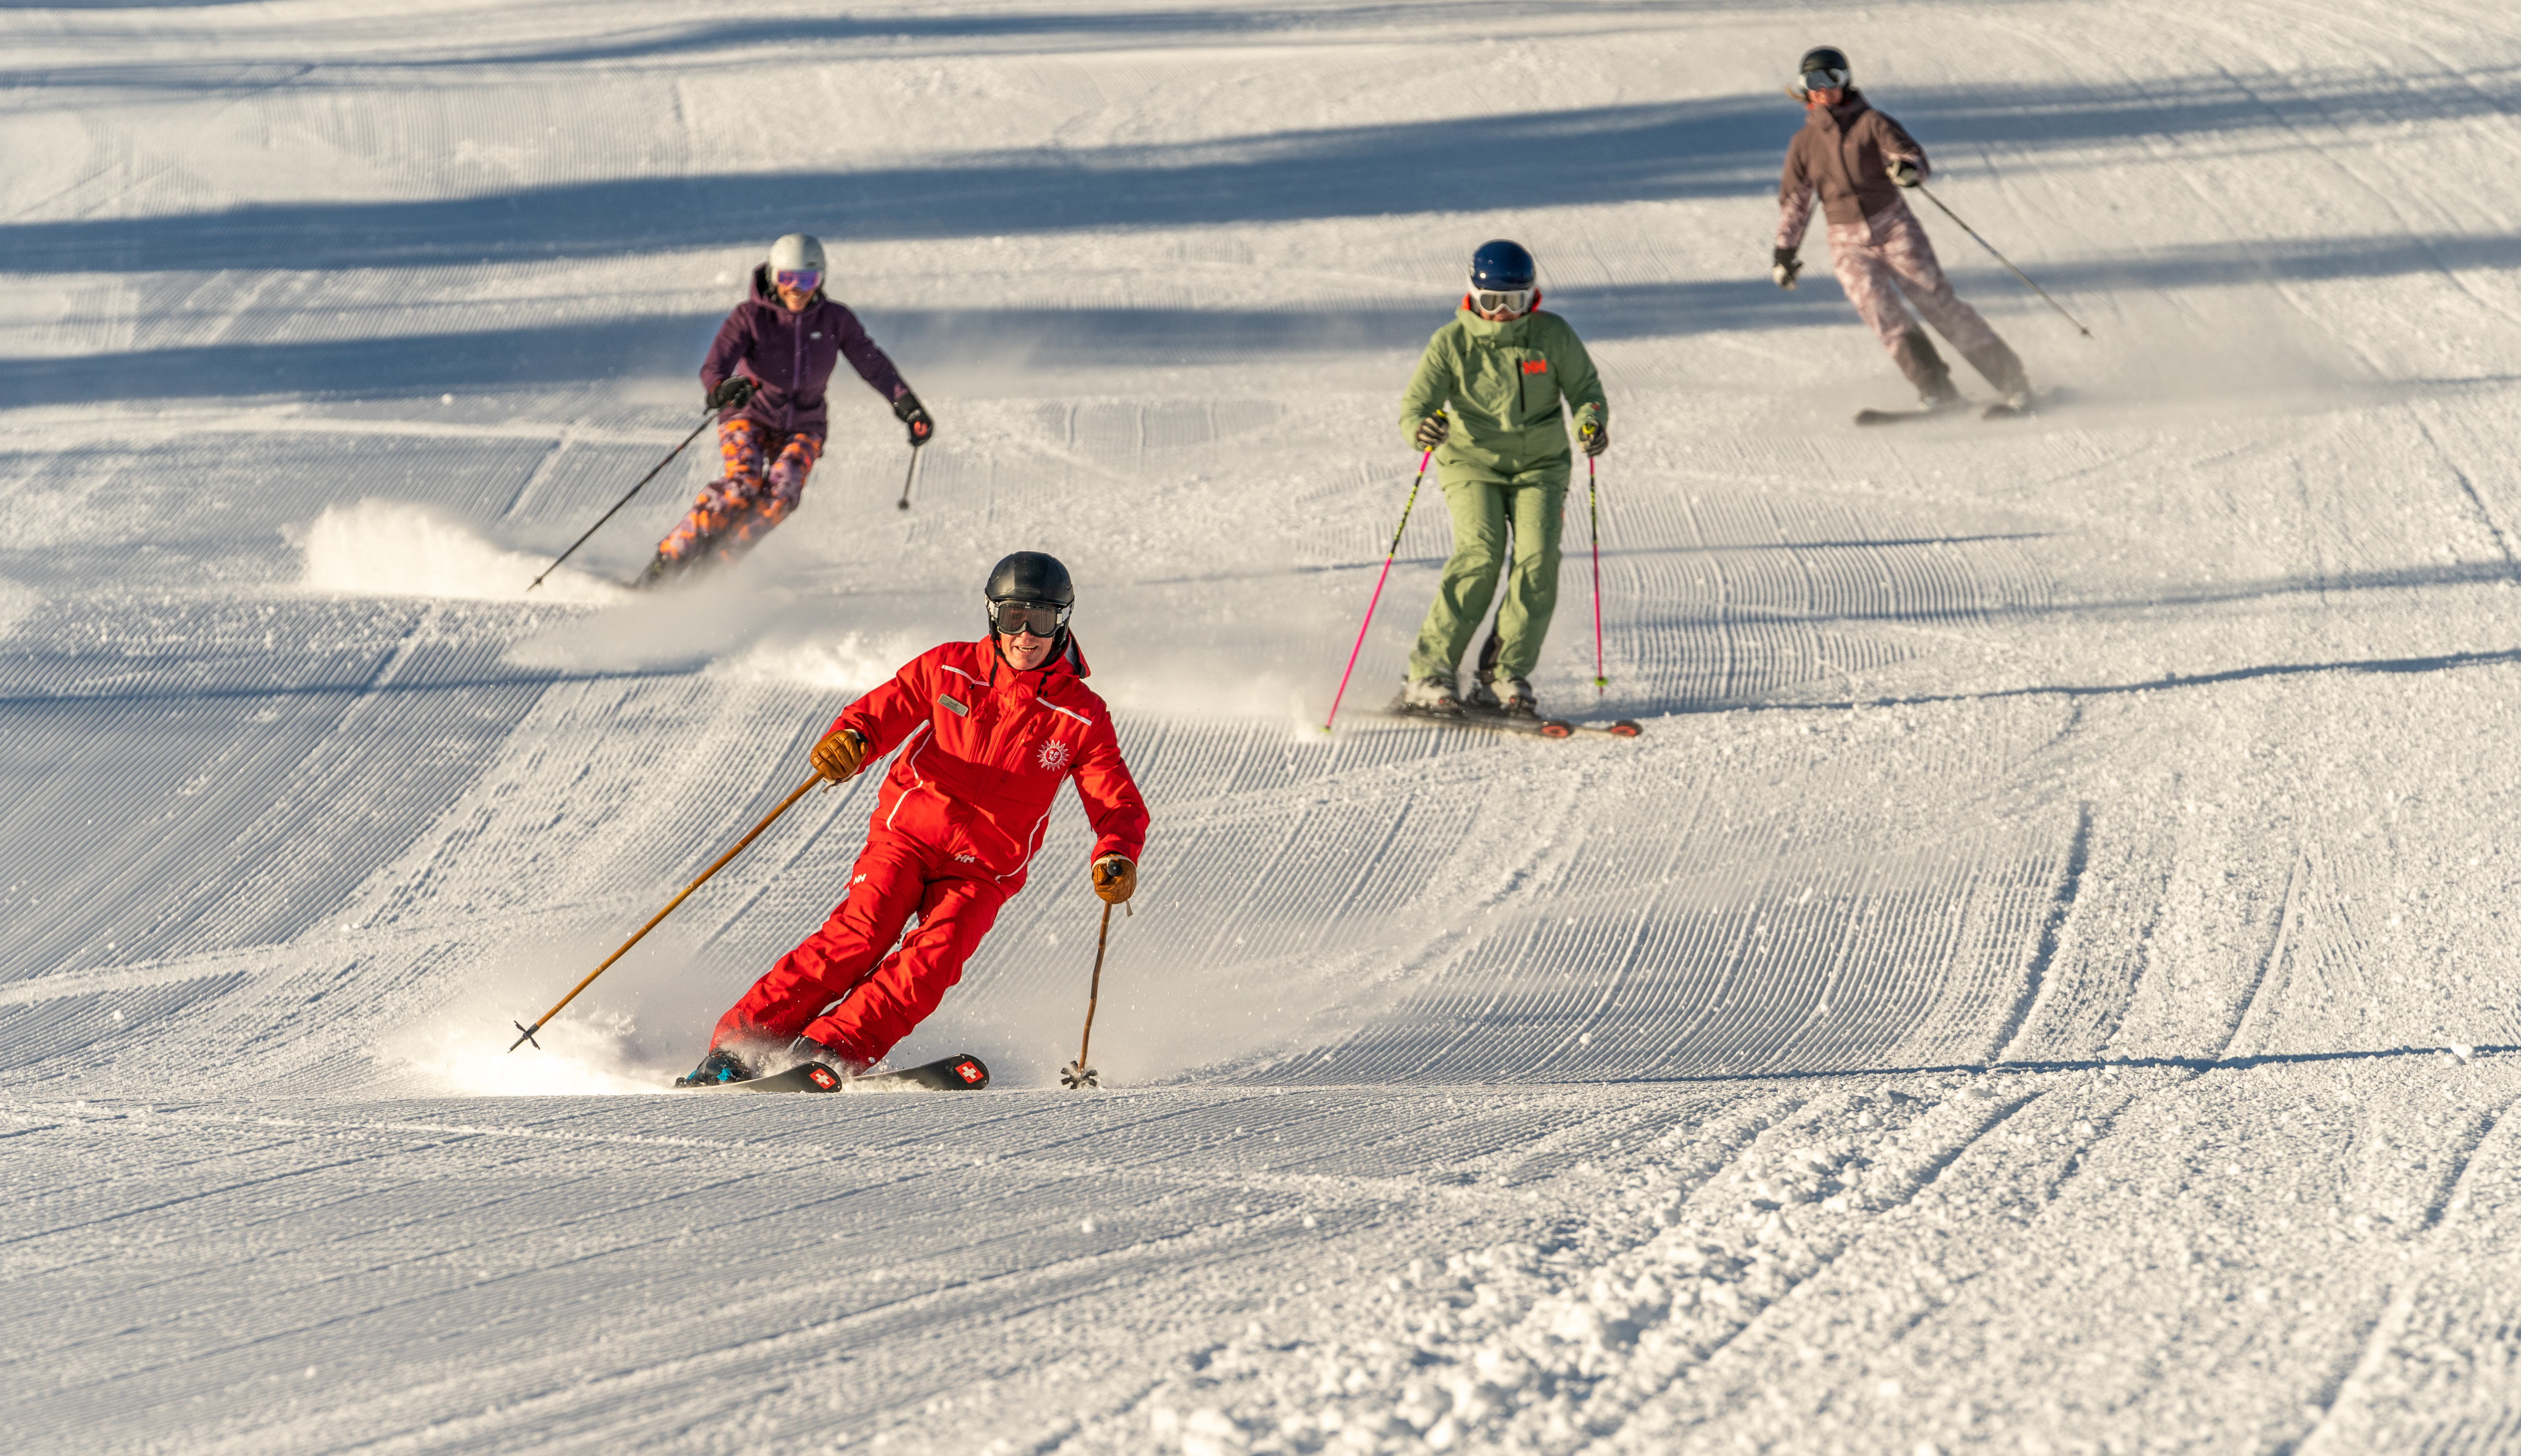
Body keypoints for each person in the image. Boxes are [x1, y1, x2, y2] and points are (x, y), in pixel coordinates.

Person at [676, 551, 1148, 1085]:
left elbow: (1116, 800)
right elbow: (886, 708)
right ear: (993, 615)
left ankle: (831, 1049)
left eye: (1041, 619)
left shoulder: (1081, 714)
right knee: (863, 933)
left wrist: (1116, 852)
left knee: (932, 961)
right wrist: (852, 739)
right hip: (909, 835)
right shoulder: (949, 666)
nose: (1026, 635)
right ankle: (745, 1043)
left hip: (984, 868)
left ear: (1063, 622)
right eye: (1014, 616)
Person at [639, 233, 937, 585]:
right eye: (788, 279)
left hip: (805, 424)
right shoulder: (750, 317)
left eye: (808, 280)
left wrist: (908, 405)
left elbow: (873, 364)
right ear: (774, 277)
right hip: (748, 416)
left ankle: (712, 568)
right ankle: (668, 561)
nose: (797, 290)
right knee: (742, 486)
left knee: (783, 495)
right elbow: (714, 369)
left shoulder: (834, 320)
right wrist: (723, 390)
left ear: (821, 279)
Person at [1394, 239, 1607, 717]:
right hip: (1472, 463)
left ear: (1532, 297)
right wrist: (1423, 428)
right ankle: (1428, 673)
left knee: (1537, 561)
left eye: (1515, 303)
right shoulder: (1451, 343)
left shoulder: (1552, 336)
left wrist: (1590, 423)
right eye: (1493, 303)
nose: (1504, 314)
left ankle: (1503, 675)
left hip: (1542, 466)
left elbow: (1585, 391)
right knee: (1480, 554)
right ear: (1473, 295)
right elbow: (1415, 408)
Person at [1770, 47, 2031, 410]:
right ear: (1804, 88)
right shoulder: (1804, 144)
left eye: (1832, 79)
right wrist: (1784, 253)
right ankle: (1935, 387)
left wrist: (1907, 170)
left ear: (1846, 82)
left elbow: (1910, 157)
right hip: (1847, 242)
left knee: (1936, 303)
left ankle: (2012, 381)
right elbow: (1795, 203)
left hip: (1893, 227)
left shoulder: (1873, 123)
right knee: (1877, 308)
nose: (1823, 89)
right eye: (1814, 81)